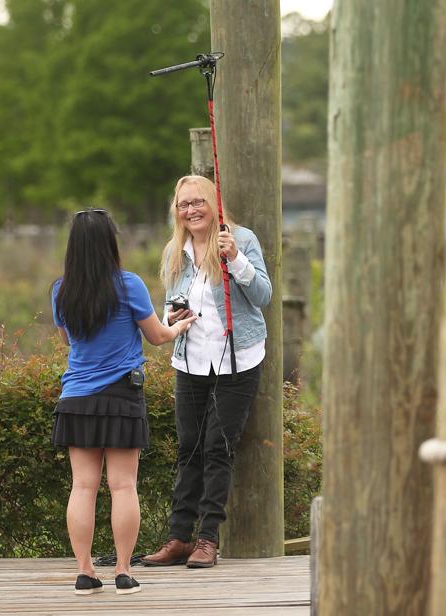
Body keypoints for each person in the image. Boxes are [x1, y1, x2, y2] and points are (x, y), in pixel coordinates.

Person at [51, 208, 196, 596]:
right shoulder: (128, 285)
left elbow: (68, 340)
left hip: (76, 397)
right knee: (122, 486)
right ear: (110, 243)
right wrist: (180, 324)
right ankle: (122, 571)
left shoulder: (61, 290)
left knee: (82, 486)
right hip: (121, 395)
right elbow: (158, 337)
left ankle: (84, 573)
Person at [142, 175, 272, 569]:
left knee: (218, 448)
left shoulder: (240, 239)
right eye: (184, 204)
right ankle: (178, 537)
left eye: (198, 202)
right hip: (190, 360)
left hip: (237, 359)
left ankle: (207, 538)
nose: (191, 210)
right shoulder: (174, 252)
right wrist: (174, 314)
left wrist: (235, 258)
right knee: (188, 448)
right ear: (176, 211)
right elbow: (169, 308)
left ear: (214, 204)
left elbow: (263, 296)